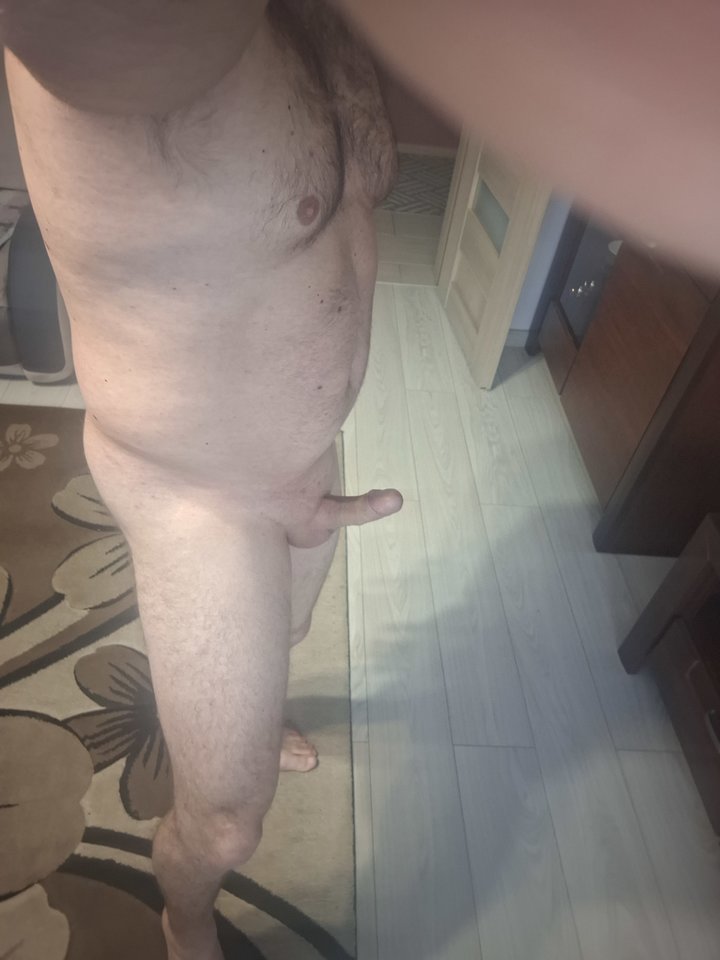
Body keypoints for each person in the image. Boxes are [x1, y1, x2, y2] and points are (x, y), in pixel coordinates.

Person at [2, 2, 718, 958]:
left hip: (306, 456)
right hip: (201, 501)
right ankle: (186, 916)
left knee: (291, 633)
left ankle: (261, 702)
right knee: (227, 823)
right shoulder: (119, 29)